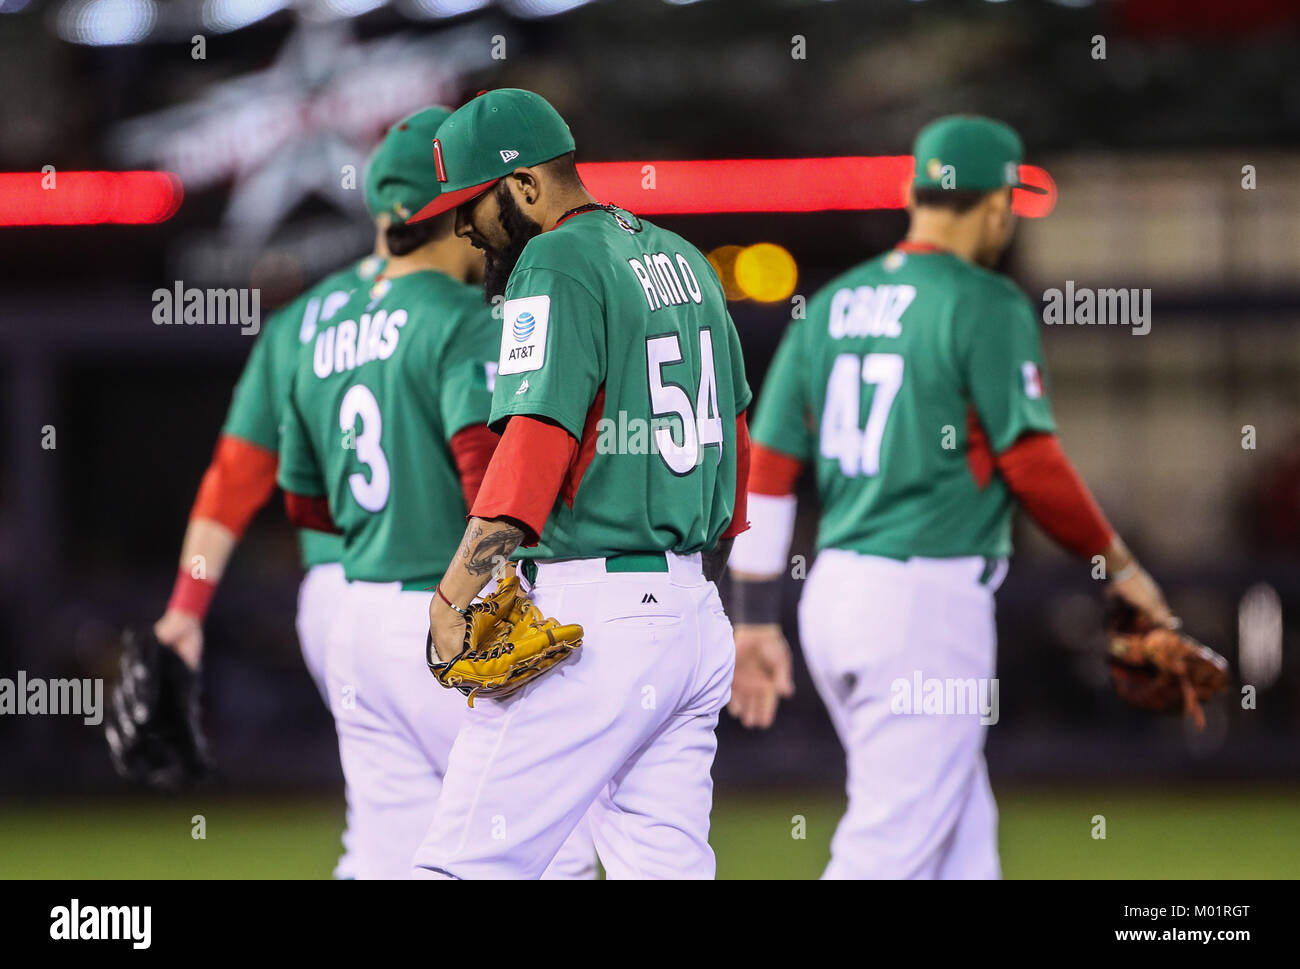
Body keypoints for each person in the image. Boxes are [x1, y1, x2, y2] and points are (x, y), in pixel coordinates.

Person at [726, 115, 1177, 879]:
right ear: (999, 207)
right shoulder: (983, 301)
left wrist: (753, 619)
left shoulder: (832, 304)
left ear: (912, 191)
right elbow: (1032, 461)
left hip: (835, 595)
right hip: (922, 605)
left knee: (962, 843)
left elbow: (765, 464)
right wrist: (1122, 568)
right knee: (890, 848)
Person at [410, 89, 752, 879]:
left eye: (473, 202)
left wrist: (455, 592)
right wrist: (691, 596)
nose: (463, 226)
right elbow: (735, 442)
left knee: (460, 862)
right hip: (692, 617)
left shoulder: (556, 258)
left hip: (598, 615)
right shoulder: (684, 259)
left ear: (525, 184)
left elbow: (536, 440)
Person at [151, 121, 397, 877]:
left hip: (331, 600)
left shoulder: (297, 324)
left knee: (388, 830)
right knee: (532, 829)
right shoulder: (454, 308)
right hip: (430, 592)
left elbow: (231, 481)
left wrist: (185, 607)